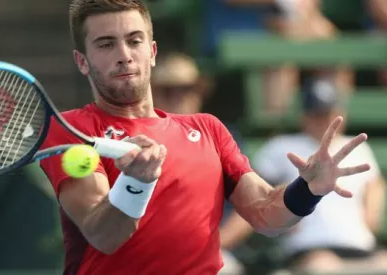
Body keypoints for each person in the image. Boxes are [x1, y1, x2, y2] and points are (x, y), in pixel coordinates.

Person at [39, 1, 371, 274]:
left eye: (134, 40)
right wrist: (136, 183)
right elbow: (103, 234)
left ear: (152, 51)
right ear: (82, 62)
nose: (124, 54)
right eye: (106, 44)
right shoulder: (72, 130)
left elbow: (266, 215)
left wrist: (308, 189)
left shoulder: (208, 129)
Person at [253, 77, 387, 272]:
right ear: (304, 116)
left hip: (359, 244)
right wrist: (280, 217)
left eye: (329, 113)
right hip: (308, 247)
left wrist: (371, 214)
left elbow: (374, 183)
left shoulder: (358, 147)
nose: (324, 121)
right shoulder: (282, 146)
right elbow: (253, 186)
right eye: (317, 114)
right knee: (323, 267)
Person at [151, 52, 250, 274]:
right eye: (169, 89)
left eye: (187, 87)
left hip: (213, 253)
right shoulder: (135, 138)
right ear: (153, 92)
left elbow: (249, 208)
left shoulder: (223, 137)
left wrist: (215, 246)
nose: (178, 96)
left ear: (199, 90)